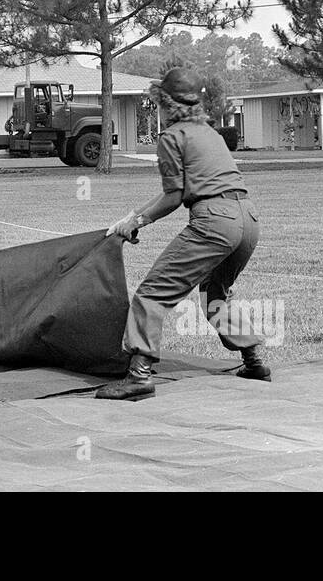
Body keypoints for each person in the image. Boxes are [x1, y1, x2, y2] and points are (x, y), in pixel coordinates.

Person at [99, 67, 270, 400]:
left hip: (214, 221)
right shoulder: (210, 133)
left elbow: (174, 196)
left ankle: (139, 375)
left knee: (152, 294)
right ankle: (253, 361)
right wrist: (133, 216)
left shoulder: (171, 137)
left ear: (163, 102)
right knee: (214, 292)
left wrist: (136, 221)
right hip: (248, 219)